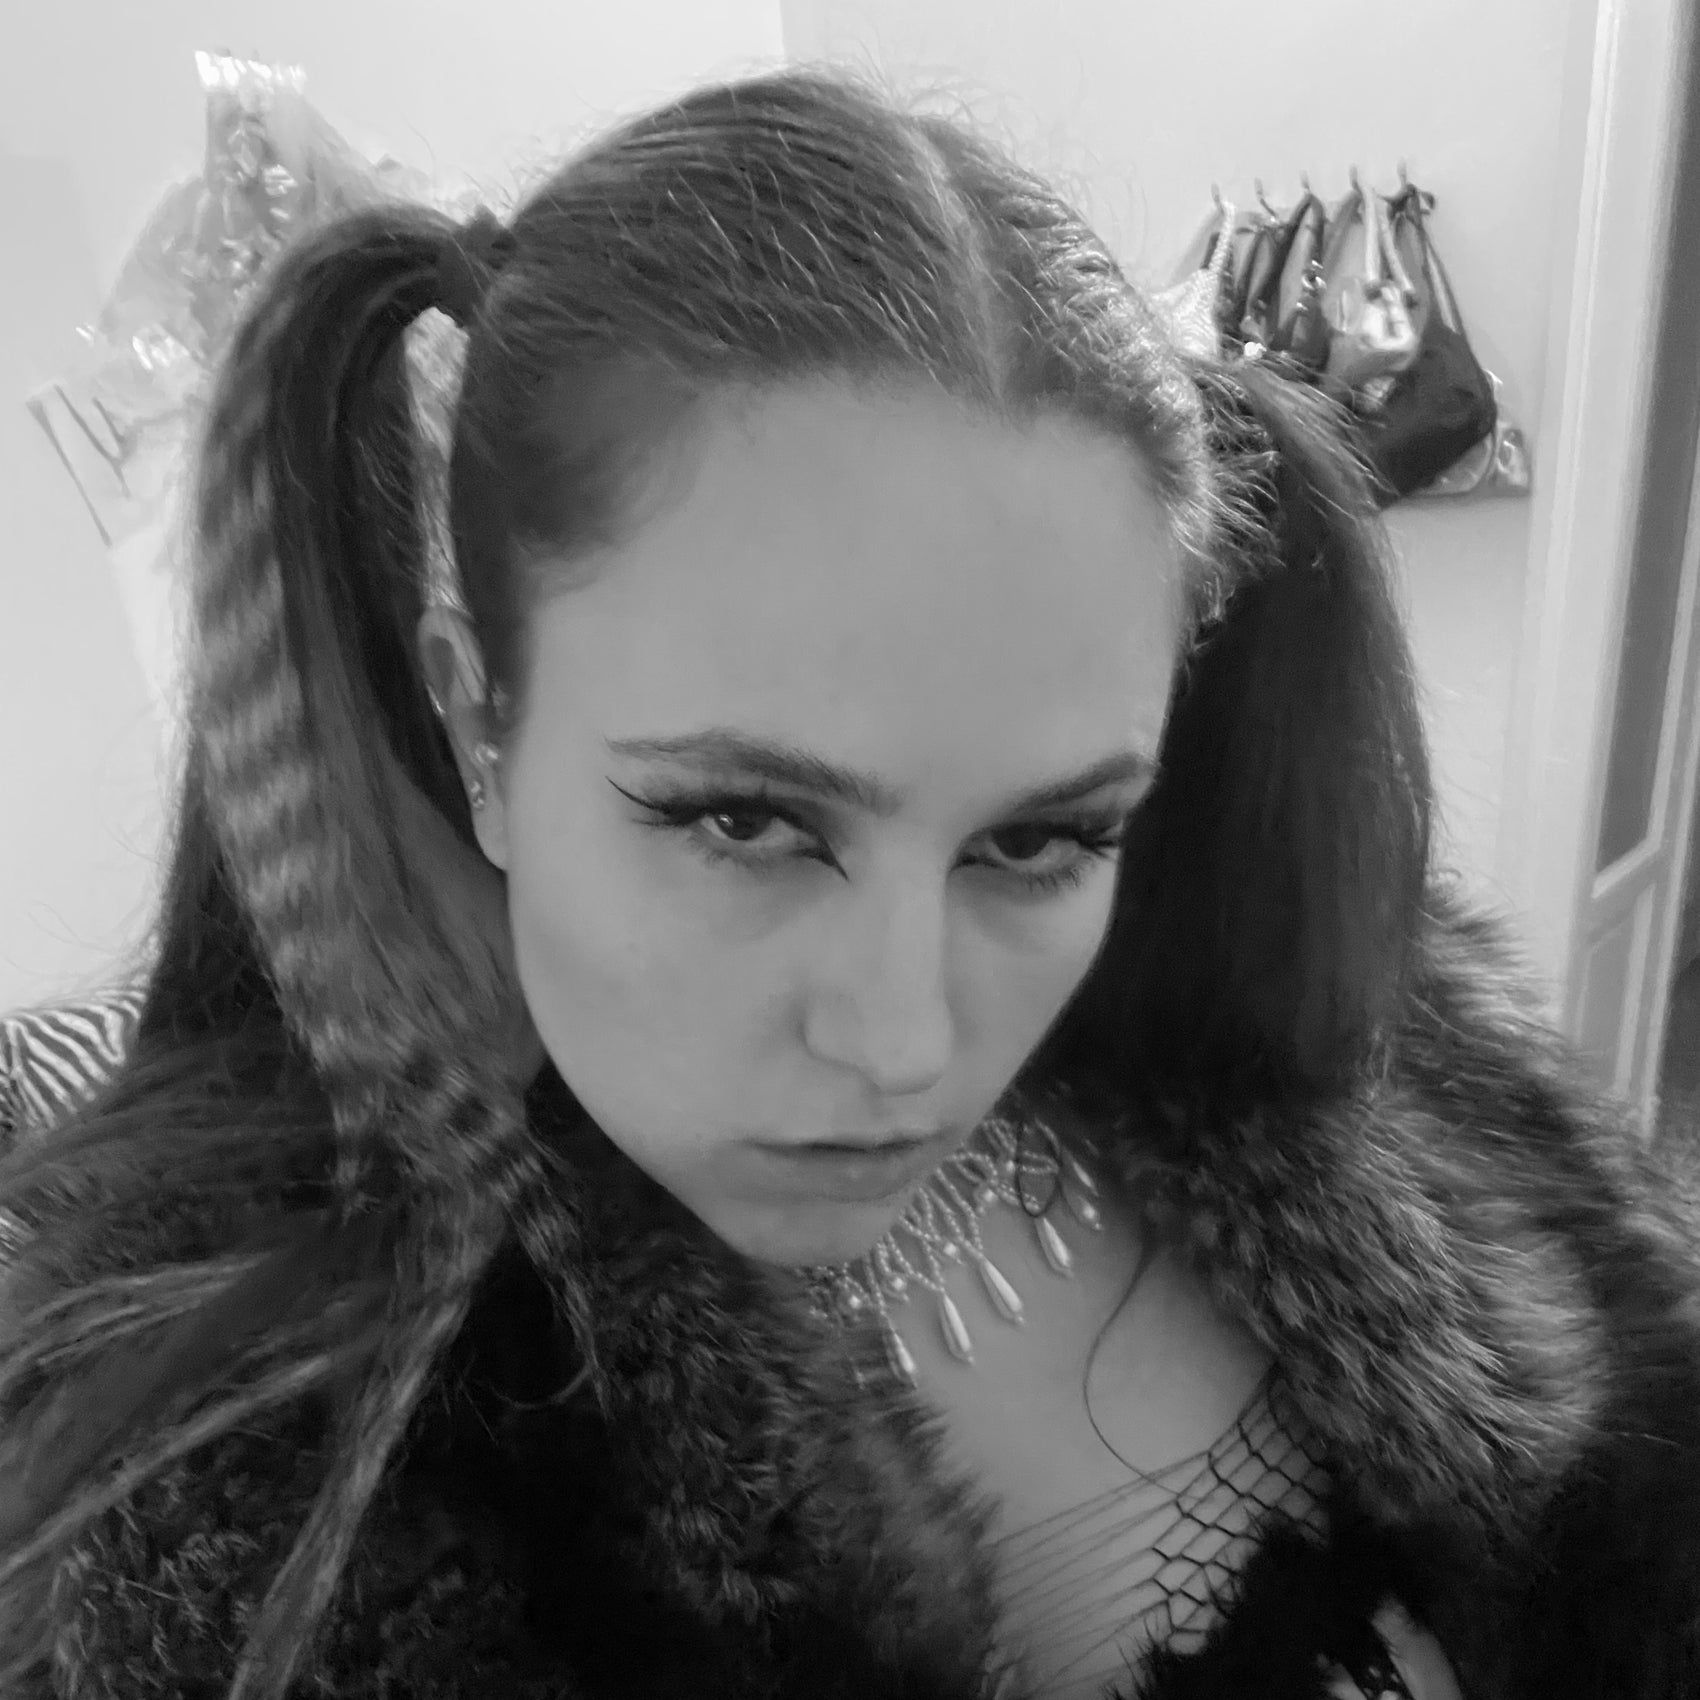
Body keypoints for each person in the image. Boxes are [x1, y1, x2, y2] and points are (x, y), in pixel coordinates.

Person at [1, 66, 1698, 1700]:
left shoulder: (1362, 1060)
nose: (905, 1045)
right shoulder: (258, 1468)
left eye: (1040, 841)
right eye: (746, 822)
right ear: (478, 720)